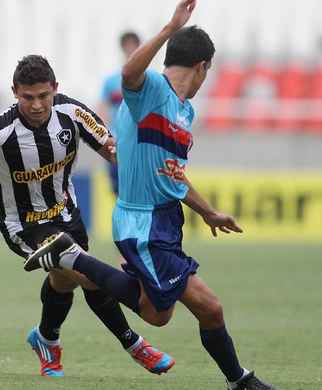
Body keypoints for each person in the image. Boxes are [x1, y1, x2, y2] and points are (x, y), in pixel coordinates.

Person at [23, 1, 278, 389]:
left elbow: (172, 175)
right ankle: (72, 256)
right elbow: (129, 73)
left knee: (183, 311)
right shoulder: (153, 90)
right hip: (144, 223)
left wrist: (208, 212)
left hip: (162, 221)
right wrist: (169, 28)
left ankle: (238, 380)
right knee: (179, 313)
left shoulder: (181, 110)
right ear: (203, 66)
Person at [0, 54, 174, 377]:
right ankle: (135, 345)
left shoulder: (72, 113)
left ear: (55, 89)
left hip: (67, 213)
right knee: (88, 274)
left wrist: (148, 174)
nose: (36, 105)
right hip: (23, 226)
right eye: (28, 97)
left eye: (43, 96)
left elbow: (111, 149)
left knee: (65, 282)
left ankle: (46, 338)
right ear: (14, 92)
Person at [99, 31, 141, 194]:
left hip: (139, 143)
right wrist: (107, 134)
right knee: (118, 190)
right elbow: (102, 108)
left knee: (138, 189)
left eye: (133, 46)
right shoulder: (111, 81)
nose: (130, 50)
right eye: (127, 46)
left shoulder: (148, 79)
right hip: (117, 142)